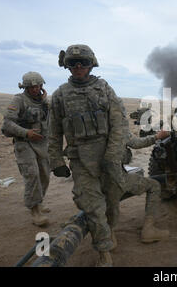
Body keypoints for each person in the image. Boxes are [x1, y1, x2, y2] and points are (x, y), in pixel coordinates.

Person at [49, 44, 168, 267]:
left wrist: (111, 157)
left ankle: (111, 232)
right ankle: (104, 254)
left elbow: (119, 127)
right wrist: (56, 161)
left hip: (110, 161)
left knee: (112, 203)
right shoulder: (60, 96)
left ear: (91, 64)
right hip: (81, 162)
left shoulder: (104, 89)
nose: (78, 67)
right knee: (93, 206)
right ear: (67, 66)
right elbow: (53, 132)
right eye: (73, 64)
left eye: (83, 63)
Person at [1, 72, 51, 227]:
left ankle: (39, 201)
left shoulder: (43, 101)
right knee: (32, 175)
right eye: (32, 87)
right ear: (25, 87)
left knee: (45, 175)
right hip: (24, 143)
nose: (35, 89)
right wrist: (26, 133)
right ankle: (35, 210)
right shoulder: (19, 100)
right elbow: (7, 124)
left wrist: (45, 102)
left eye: (38, 86)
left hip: (41, 144)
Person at [106, 130, 171, 247]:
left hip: (95, 184)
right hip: (117, 180)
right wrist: (157, 136)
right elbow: (137, 143)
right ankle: (148, 230)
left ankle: (109, 235)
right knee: (154, 185)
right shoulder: (116, 126)